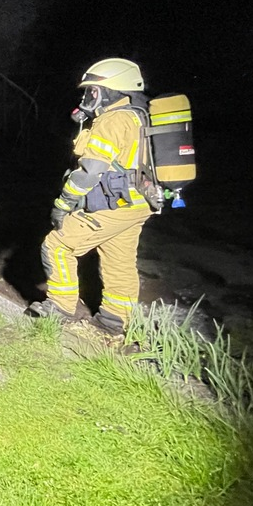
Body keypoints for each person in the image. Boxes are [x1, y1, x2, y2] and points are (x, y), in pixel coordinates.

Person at [29, 58, 155, 334]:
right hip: (138, 203)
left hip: (115, 204)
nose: (87, 97)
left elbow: (90, 171)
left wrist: (63, 203)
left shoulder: (112, 120)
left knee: (57, 245)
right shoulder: (137, 116)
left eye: (92, 91)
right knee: (118, 260)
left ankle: (59, 308)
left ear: (110, 92)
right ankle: (115, 320)